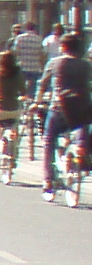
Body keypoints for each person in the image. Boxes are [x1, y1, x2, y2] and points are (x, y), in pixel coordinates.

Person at [43, 30, 91, 198]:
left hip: (59, 109)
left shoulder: (54, 63)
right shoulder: (86, 65)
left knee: (49, 140)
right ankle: (81, 153)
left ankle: (48, 180)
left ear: (63, 46)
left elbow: (42, 84)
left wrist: (36, 101)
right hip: (82, 109)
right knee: (83, 129)